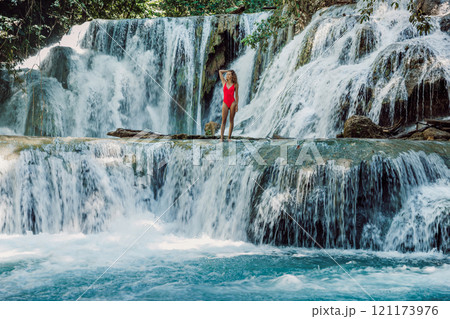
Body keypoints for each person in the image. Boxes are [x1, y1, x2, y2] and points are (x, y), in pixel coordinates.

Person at [218, 69, 239, 142]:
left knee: (231, 120)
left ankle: (229, 137)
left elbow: (236, 96)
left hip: (232, 103)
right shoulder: (224, 82)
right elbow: (220, 71)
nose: (227, 75)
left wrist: (237, 105)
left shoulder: (235, 84)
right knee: (223, 120)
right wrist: (227, 70)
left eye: (229, 74)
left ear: (232, 76)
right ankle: (221, 137)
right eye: (227, 74)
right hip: (225, 103)